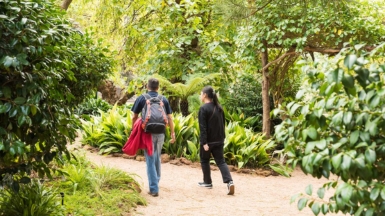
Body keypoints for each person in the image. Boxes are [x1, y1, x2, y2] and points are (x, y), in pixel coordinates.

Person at [131, 78, 175, 197]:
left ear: (147, 86)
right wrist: (173, 133)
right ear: (158, 87)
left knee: (150, 158)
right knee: (156, 157)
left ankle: (154, 188)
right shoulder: (163, 99)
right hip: (161, 132)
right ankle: (156, 181)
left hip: (147, 133)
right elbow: (170, 118)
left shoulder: (142, 98)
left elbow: (134, 116)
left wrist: (133, 130)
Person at [197, 86, 235, 195]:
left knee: (204, 160)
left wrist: (204, 142)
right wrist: (222, 138)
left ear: (204, 95)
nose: (200, 95)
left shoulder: (203, 109)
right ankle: (230, 182)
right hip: (219, 140)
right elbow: (223, 125)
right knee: (221, 162)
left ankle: (207, 182)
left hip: (208, 142)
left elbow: (202, 127)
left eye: (201, 93)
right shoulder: (219, 107)